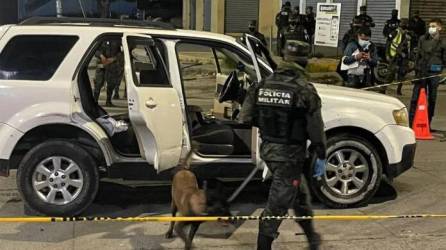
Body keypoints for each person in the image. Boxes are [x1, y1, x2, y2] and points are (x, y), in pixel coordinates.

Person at [240, 41, 327, 250]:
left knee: (299, 196)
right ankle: (264, 245)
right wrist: (321, 152)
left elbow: (245, 118)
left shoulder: (261, 85)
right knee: (277, 205)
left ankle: (312, 238)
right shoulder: (305, 90)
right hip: (289, 156)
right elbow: (315, 128)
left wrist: (268, 123)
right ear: (304, 62)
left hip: (269, 149)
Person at [409, 18, 446, 129]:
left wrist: (441, 71)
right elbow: (418, 56)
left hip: (434, 74)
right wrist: (416, 70)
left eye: (433, 26)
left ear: (440, 28)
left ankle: (426, 124)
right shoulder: (422, 39)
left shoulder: (443, 42)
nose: (431, 28)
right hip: (421, 72)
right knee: (415, 98)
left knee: (432, 99)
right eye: (430, 26)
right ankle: (411, 123)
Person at [386, 19, 413, 95]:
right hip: (394, 56)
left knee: (402, 73)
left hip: (403, 58)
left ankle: (399, 90)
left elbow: (408, 46)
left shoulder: (407, 33)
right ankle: (383, 89)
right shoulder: (395, 32)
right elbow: (388, 43)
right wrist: (387, 54)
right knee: (390, 74)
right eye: (404, 23)